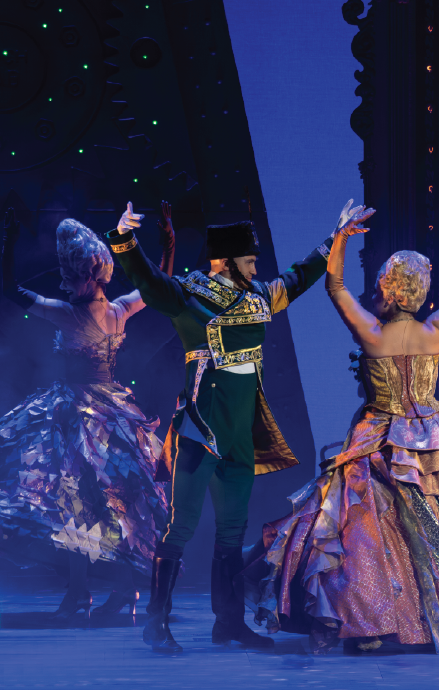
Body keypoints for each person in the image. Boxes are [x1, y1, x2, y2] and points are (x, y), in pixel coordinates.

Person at [255, 206, 439, 653]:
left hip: (378, 438)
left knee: (368, 533)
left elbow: (335, 286)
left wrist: (341, 238)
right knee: (436, 531)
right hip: (431, 442)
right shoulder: (435, 329)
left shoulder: (372, 334)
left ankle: (373, 621)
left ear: (387, 287)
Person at [104, 200, 362, 653]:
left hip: (241, 436)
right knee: (180, 526)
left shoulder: (259, 296)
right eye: (249, 260)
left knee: (232, 531)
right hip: (200, 432)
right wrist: (124, 240)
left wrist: (335, 238)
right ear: (223, 260)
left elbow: (299, 277)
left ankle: (228, 623)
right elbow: (148, 279)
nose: (256, 267)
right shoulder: (188, 294)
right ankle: (155, 622)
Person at [0, 208, 171, 623]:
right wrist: (168, 245)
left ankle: (85, 593)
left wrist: (8, 243)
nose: (64, 285)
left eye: (69, 277)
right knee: (110, 505)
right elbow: (156, 286)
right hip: (113, 414)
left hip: (77, 416)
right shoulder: (120, 309)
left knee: (80, 506)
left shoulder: (69, 314)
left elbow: (12, 290)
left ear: (88, 275)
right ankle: (107, 591)